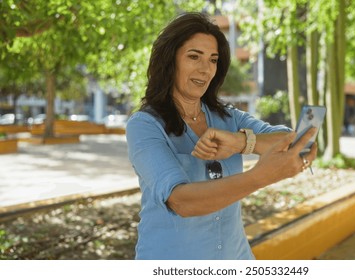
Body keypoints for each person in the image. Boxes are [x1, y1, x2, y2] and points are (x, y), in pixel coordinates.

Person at [125, 12, 318, 260]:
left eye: (213, 60)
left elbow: (294, 140)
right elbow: (181, 202)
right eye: (194, 56)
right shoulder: (144, 125)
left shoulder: (229, 118)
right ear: (170, 61)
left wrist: (241, 142)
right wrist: (258, 177)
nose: (205, 69)